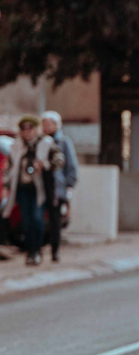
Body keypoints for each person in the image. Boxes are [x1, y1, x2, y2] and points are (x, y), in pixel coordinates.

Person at [2, 116, 64, 266]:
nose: (27, 131)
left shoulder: (46, 143)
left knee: (37, 218)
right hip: (23, 188)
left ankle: (37, 251)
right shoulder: (16, 146)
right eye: (24, 128)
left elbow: (60, 160)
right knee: (27, 221)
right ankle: (31, 252)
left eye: (30, 128)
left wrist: (44, 164)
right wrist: (6, 185)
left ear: (35, 129)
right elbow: (10, 168)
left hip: (40, 189)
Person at [42, 111, 79, 263]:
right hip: (41, 186)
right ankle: (35, 252)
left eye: (50, 123)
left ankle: (54, 251)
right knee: (37, 219)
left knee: (55, 221)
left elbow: (71, 166)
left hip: (57, 188)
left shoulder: (63, 142)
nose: (46, 126)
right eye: (44, 123)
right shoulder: (40, 142)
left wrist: (67, 184)